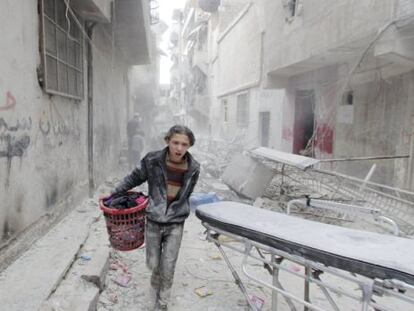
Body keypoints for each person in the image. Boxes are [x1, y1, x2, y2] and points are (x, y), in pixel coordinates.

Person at [112, 125, 200, 311]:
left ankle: (163, 301)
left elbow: (187, 193)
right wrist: (114, 194)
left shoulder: (194, 168)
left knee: (168, 265)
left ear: (189, 145)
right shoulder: (152, 160)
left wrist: (180, 209)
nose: (179, 148)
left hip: (176, 222)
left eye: (184, 144)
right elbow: (134, 178)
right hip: (153, 219)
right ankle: (154, 286)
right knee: (153, 263)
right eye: (175, 142)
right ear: (168, 141)